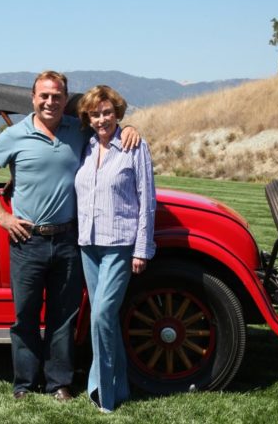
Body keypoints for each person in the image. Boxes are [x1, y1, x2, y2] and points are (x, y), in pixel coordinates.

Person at [0, 71, 139, 401]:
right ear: (33, 99)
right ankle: (24, 384)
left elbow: (108, 126)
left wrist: (129, 127)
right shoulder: (15, 135)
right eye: (44, 96)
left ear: (65, 99)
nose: (50, 101)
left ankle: (59, 382)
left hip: (67, 239)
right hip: (27, 240)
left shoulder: (76, 131)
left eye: (57, 96)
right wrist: (2, 216)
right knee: (26, 316)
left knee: (64, 315)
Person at [74, 85, 155, 412]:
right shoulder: (88, 147)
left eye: (107, 112)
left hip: (119, 244)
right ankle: (119, 388)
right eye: (95, 114)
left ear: (117, 113)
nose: (101, 119)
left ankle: (102, 395)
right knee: (103, 319)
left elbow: (147, 200)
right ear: (88, 117)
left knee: (102, 316)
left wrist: (142, 249)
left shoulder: (135, 146)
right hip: (88, 243)